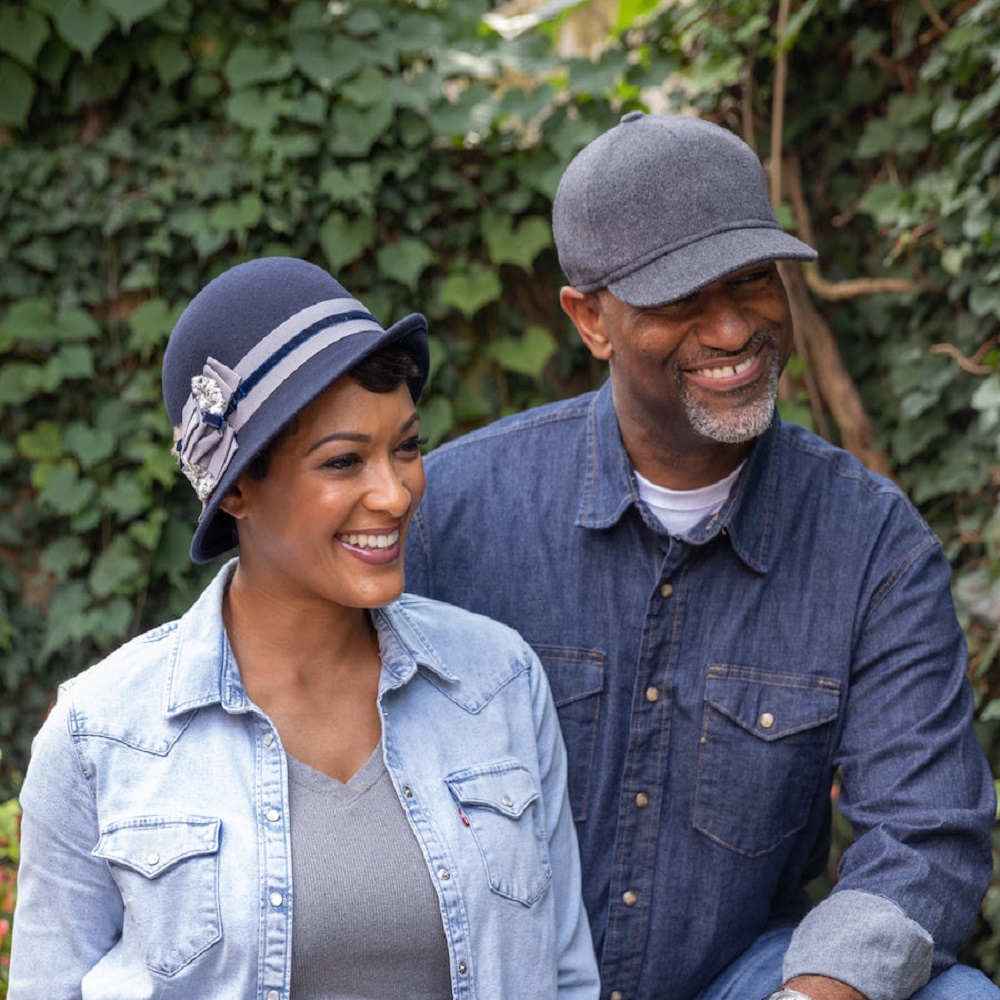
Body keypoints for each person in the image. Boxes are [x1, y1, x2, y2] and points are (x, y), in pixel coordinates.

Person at [404, 113, 998, 1000]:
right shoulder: (451, 514)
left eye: (753, 279)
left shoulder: (871, 544)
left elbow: (925, 835)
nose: (731, 329)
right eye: (681, 297)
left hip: (736, 981)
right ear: (589, 318)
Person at [9, 257, 598, 999]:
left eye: (407, 447)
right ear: (239, 490)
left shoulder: (496, 680)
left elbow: (565, 975)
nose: (395, 492)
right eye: (344, 461)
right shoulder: (102, 736)